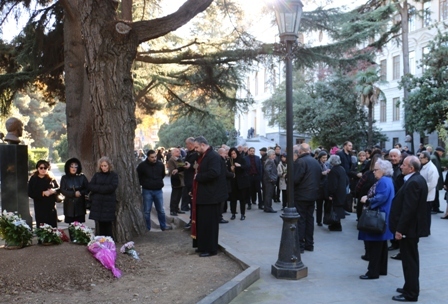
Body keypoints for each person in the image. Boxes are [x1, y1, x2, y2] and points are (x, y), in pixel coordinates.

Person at [389, 156, 428, 302]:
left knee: (410, 261)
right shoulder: (415, 179)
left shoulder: (414, 182)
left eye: (404, 165)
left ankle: (411, 293)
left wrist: (400, 230)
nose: (401, 167)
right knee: (408, 260)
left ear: (411, 168)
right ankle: (408, 286)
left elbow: (409, 209)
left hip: (409, 230)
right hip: (410, 228)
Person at [358, 159, 395, 279]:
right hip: (384, 216)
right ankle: (381, 269)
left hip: (378, 218)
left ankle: (373, 272)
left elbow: (381, 197)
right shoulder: (388, 180)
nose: (373, 172)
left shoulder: (383, 181)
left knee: (374, 247)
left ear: (383, 171)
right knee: (381, 246)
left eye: (376, 170)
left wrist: (367, 200)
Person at [192, 136, 227, 257]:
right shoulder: (203, 156)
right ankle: (202, 246)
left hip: (211, 197)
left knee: (209, 224)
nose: (195, 149)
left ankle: (210, 248)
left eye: (196, 147)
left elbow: (214, 173)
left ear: (203, 145)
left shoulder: (213, 156)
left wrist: (198, 177)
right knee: (202, 223)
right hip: (203, 196)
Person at [293, 143, 322, 252]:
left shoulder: (300, 162)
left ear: (300, 151)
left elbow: (295, 179)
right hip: (312, 195)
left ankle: (300, 245)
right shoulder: (315, 162)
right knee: (310, 219)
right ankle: (309, 244)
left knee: (301, 220)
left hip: (301, 195)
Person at [137, 150, 172, 231]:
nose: (154, 159)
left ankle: (163, 226)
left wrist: (158, 182)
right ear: (148, 157)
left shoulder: (160, 165)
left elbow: (162, 175)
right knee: (146, 211)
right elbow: (138, 176)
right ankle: (147, 228)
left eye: (155, 157)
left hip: (158, 190)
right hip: (147, 190)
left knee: (161, 210)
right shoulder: (142, 166)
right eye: (152, 157)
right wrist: (144, 183)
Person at [88, 157, 119, 238]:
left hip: (108, 204)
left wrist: (98, 189)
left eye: (105, 165)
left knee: (108, 224)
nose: (104, 168)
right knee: (100, 224)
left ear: (109, 165)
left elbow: (112, 187)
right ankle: (100, 241)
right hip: (98, 203)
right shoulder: (97, 175)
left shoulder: (113, 175)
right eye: (102, 166)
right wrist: (102, 189)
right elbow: (91, 186)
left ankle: (108, 241)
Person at [28, 160, 59, 228]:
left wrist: (53, 191)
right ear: (37, 168)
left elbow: (58, 188)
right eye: (41, 168)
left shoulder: (51, 177)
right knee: (41, 226)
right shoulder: (34, 179)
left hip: (51, 207)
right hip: (40, 206)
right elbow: (30, 192)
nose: (43, 170)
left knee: (52, 226)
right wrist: (42, 193)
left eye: (45, 168)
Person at [60, 158, 89, 224]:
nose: (74, 168)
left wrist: (80, 193)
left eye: (76, 166)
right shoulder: (64, 178)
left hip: (80, 204)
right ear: (68, 167)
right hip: (69, 205)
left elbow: (87, 188)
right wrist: (73, 194)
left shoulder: (82, 177)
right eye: (72, 166)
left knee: (80, 226)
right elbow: (62, 190)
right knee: (71, 226)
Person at [418, 151, 439, 236]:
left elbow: (432, 184)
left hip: (427, 195)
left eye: (421, 158)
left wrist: (421, 189)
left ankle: (426, 231)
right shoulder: (423, 166)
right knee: (422, 214)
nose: (419, 159)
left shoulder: (432, 168)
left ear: (426, 159)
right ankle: (422, 230)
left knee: (426, 215)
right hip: (422, 194)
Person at [326, 155, 348, 232]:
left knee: (334, 209)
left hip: (336, 193)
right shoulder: (342, 169)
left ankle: (335, 225)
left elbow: (333, 184)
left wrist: (331, 194)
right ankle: (337, 224)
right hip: (342, 192)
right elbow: (346, 180)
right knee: (338, 208)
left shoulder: (333, 171)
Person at [227, 147, 250, 220]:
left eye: (234, 153)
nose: (233, 155)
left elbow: (246, 167)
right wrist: (231, 169)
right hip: (233, 182)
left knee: (242, 199)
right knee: (233, 199)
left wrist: (240, 166)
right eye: (231, 154)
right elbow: (227, 171)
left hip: (242, 182)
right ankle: (233, 213)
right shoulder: (229, 161)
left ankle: (243, 214)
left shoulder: (242, 159)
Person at [166, 148, 186, 216]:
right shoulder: (171, 160)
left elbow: (183, 166)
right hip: (176, 179)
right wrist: (179, 170)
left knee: (179, 195)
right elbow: (172, 170)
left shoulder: (179, 159)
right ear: (173, 153)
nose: (179, 152)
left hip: (181, 179)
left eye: (179, 151)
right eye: (177, 151)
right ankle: (173, 209)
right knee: (175, 195)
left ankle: (176, 208)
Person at [315, 151, 330, 226]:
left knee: (326, 204)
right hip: (319, 187)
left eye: (326, 158)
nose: (325, 159)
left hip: (325, 186)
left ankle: (325, 219)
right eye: (323, 158)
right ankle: (319, 220)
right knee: (319, 205)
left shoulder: (326, 164)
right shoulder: (317, 164)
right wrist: (322, 173)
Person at [263, 149, 278, 213]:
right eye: (273, 154)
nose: (275, 155)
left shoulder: (269, 160)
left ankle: (267, 207)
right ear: (270, 155)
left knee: (268, 194)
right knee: (269, 194)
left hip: (268, 180)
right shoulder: (270, 161)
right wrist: (271, 178)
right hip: (269, 181)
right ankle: (268, 207)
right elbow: (267, 170)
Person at [430, 146, 444, 213]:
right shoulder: (434, 158)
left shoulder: (435, 158)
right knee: (434, 194)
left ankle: (436, 208)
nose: (442, 154)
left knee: (436, 194)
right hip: (435, 179)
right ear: (438, 151)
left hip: (436, 179)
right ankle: (434, 208)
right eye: (442, 152)